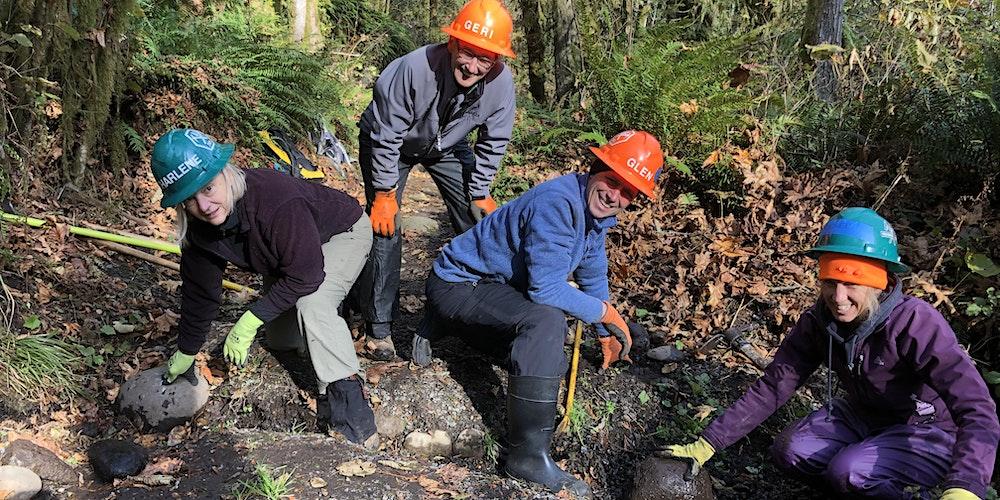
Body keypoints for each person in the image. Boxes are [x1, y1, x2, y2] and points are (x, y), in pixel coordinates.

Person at [661, 208, 1000, 499]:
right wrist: (708, 443)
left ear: (878, 282)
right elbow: (775, 384)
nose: (838, 297)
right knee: (790, 451)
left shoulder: (915, 323)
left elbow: (977, 408)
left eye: (852, 283)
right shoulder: (819, 321)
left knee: (849, 472)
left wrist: (966, 484)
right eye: (829, 282)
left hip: (925, 430)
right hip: (861, 416)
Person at [412, 130, 663, 496]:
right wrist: (605, 313)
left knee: (540, 353)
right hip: (458, 284)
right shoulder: (559, 203)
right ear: (596, 169)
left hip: (494, 285)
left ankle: (444, 323)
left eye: (628, 192)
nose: (616, 195)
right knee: (545, 322)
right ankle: (527, 458)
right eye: (612, 181)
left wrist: (604, 330)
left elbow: (592, 270)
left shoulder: (591, 210)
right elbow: (544, 289)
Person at [152, 128, 377, 447]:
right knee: (282, 341)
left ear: (224, 174)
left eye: (208, 188)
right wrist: (186, 351)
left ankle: (354, 418)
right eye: (189, 199)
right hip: (287, 257)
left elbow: (307, 275)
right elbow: (201, 296)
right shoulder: (199, 231)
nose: (204, 205)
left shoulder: (274, 200)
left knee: (313, 303)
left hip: (340, 232)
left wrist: (250, 318)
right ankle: (319, 342)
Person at [355, 0, 517, 360]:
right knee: (386, 225)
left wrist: (480, 191)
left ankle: (477, 308)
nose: (472, 66)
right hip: (390, 142)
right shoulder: (414, 68)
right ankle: (378, 327)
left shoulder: (501, 85)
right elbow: (386, 134)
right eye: (468, 53)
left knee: (478, 221)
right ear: (453, 43)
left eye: (484, 59)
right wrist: (385, 191)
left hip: (447, 146)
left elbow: (494, 140)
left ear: (497, 61)